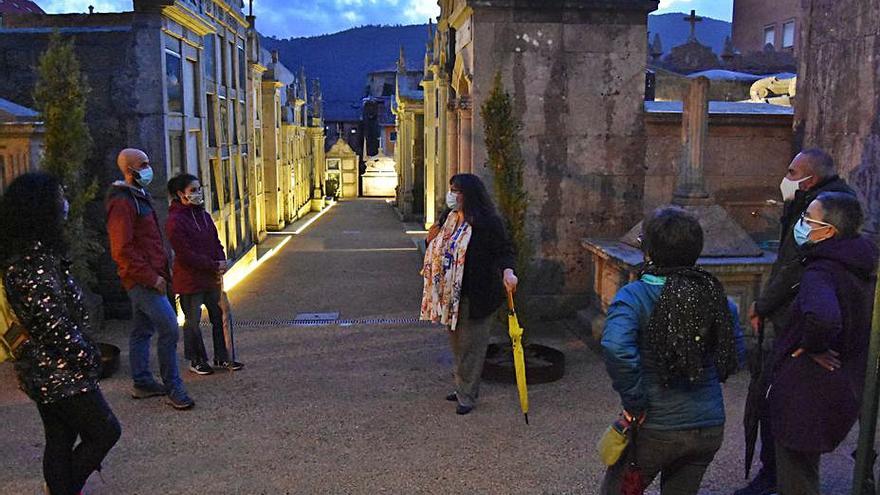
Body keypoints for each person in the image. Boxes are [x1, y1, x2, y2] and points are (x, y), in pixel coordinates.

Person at [738, 148, 855, 495]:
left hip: (797, 322)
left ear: (812, 176)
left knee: (783, 401)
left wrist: (764, 304)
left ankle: (778, 474)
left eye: (792, 171)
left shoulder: (821, 211)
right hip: (796, 318)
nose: (786, 178)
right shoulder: (819, 201)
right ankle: (777, 472)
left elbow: (794, 266)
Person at [600, 207, 739, 495]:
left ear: (648, 250)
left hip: (657, 426)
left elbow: (616, 346)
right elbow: (734, 350)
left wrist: (635, 402)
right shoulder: (715, 295)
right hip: (709, 425)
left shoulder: (635, 295)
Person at [0, 173, 121, 495]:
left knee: (60, 436)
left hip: (49, 368)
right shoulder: (29, 264)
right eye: (59, 198)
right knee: (105, 431)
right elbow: (53, 325)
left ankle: (61, 488)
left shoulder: (39, 255)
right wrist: (89, 356)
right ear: (40, 208)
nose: (65, 204)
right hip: (57, 370)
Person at [768, 192, 878, 495]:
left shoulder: (821, 271)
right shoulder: (862, 264)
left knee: (797, 473)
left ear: (828, 230)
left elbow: (824, 316)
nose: (803, 224)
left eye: (808, 218)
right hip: (846, 381)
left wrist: (813, 345)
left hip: (808, 387)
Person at [420, 173, 518, 415]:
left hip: (478, 294)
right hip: (450, 295)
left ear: (470, 194)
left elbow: (504, 250)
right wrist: (429, 240)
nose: (451, 195)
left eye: (457, 190)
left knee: (471, 347)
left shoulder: (487, 223)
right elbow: (437, 249)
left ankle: (467, 395)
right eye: (451, 189)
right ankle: (462, 385)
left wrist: (508, 272)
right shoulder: (448, 219)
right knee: (457, 345)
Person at [106, 148, 194, 410]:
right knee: (168, 327)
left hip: (152, 274)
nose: (148, 168)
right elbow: (122, 248)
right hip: (143, 279)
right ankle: (173, 386)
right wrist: (151, 277)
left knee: (142, 329)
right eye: (143, 164)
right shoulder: (123, 202)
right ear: (129, 169)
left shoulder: (137, 196)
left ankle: (142, 381)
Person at [165, 174, 242, 374]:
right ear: (180, 194)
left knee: (219, 315)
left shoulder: (204, 216)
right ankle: (196, 359)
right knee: (192, 321)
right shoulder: (175, 221)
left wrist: (222, 258)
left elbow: (215, 241)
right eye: (193, 190)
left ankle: (223, 356)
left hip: (211, 276)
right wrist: (212, 264)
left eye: (199, 189)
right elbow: (185, 254)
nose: (198, 194)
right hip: (190, 279)